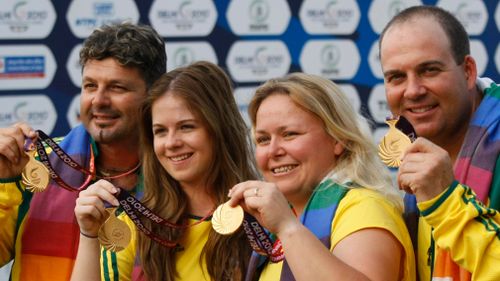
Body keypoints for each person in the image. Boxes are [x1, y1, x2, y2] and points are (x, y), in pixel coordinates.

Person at [0, 23, 166, 280]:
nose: (98, 100)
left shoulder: (177, 175)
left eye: (117, 87)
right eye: (90, 86)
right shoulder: (34, 164)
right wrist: (3, 182)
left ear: (152, 96)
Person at [71, 61, 257, 281]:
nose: (171, 143)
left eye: (186, 127)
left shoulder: (263, 216)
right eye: (160, 131)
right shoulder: (134, 222)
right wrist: (89, 235)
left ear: (219, 129)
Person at [228, 73, 416, 281]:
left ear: (337, 139)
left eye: (289, 134)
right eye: (263, 139)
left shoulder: (365, 207)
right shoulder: (272, 227)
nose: (273, 151)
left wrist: (287, 227)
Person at [379, 5, 500, 281]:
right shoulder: (414, 154)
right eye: (396, 77)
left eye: (429, 70)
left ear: (468, 71)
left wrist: (445, 203)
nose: (413, 90)